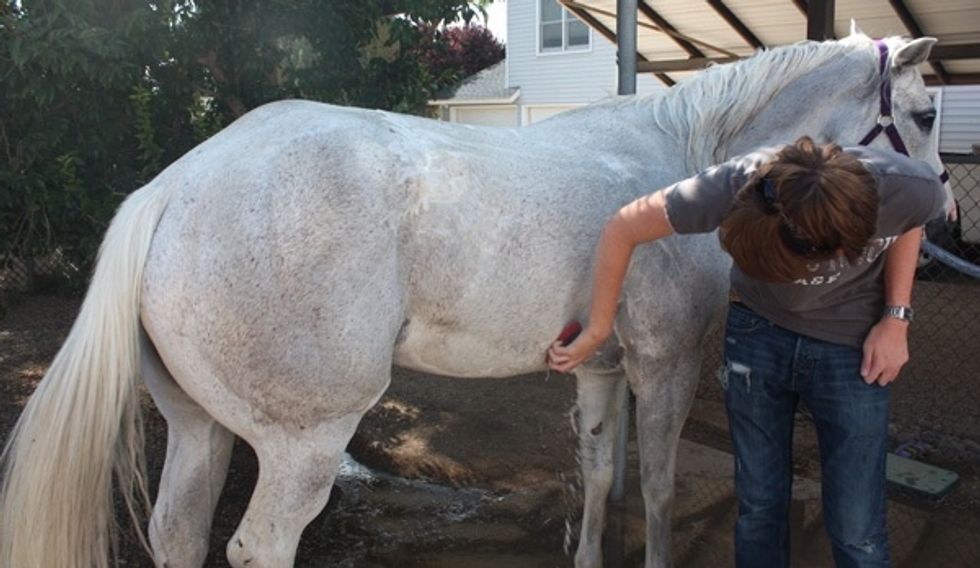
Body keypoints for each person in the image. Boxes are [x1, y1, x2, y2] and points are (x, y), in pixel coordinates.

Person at [547, 136, 947, 567]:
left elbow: (910, 221)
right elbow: (623, 226)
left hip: (851, 344)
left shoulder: (909, 185)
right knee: (759, 505)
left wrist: (896, 317)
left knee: (857, 526)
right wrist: (598, 328)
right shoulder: (737, 184)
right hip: (758, 335)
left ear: (842, 244)